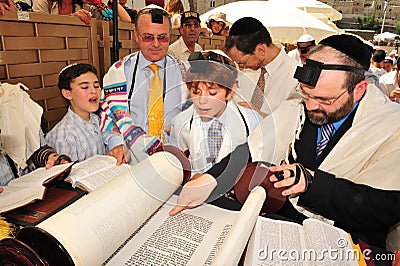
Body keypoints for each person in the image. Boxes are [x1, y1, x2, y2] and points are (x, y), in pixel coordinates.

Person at [170, 34, 400, 251]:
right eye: (307, 96)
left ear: (359, 90)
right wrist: (211, 179)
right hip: (284, 229)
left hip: (347, 242)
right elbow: (251, 149)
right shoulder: (297, 108)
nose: (310, 107)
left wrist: (311, 183)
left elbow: (387, 206)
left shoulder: (392, 126)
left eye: (324, 99)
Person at [99, 5, 186, 165]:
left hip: (174, 162)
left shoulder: (185, 73)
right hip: (131, 162)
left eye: (162, 37)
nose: (155, 44)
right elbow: (106, 113)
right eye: (148, 37)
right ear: (136, 36)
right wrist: (115, 143)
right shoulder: (118, 72)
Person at [170, 50, 262, 175]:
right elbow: (177, 170)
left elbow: (261, 167)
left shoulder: (251, 121)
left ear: (230, 91)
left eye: (212, 93)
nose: (202, 101)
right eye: (196, 92)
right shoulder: (181, 123)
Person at [226, 17, 300, 118]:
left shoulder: (295, 77)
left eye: (243, 63)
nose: (241, 68)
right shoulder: (251, 70)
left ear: (261, 50)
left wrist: (259, 116)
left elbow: (293, 122)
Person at [45, 63, 108, 162]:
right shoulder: (65, 135)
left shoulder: (98, 119)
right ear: (67, 93)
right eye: (84, 87)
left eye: (96, 85)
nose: (94, 91)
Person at [33, 0, 131, 25]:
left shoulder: (86, 6)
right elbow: (40, 26)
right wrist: (72, 19)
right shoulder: (45, 3)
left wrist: (111, 2)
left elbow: (125, 20)